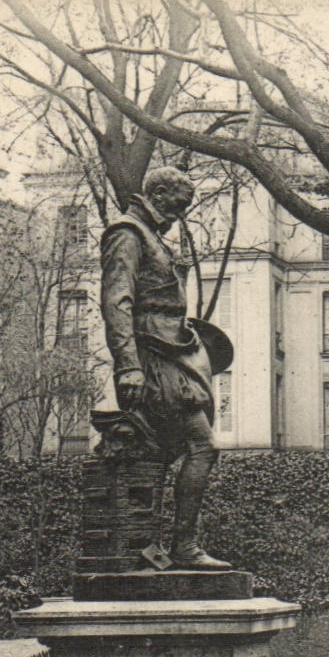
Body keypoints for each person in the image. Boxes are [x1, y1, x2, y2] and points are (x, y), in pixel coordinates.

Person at [100, 166, 233, 570]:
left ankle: (151, 548)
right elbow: (117, 302)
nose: (182, 212)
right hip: (153, 356)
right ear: (157, 195)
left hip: (173, 350)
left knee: (161, 453)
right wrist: (128, 367)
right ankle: (184, 547)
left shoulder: (151, 236)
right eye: (179, 204)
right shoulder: (127, 233)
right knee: (202, 446)